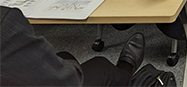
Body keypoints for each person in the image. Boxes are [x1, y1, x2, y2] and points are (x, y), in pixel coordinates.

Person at [1, 5, 145, 86]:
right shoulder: (5, 23)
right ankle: (126, 71)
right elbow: (66, 82)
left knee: (64, 56)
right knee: (102, 67)